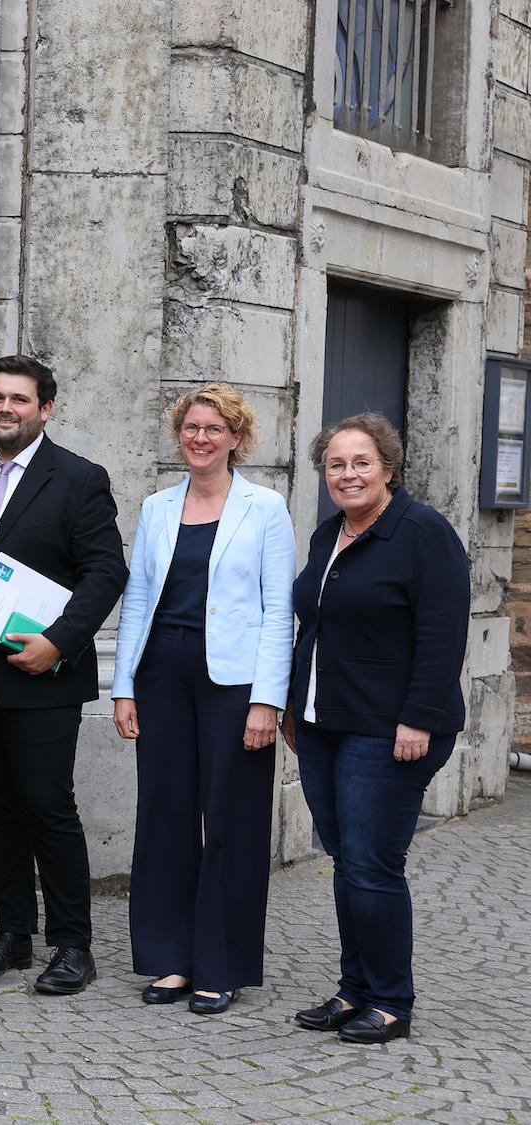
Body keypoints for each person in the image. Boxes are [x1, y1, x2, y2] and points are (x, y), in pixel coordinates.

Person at [0, 354, 127, 995]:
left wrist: (59, 643)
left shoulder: (78, 479)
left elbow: (106, 572)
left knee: (48, 807)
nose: (6, 409)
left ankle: (73, 945)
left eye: (19, 399)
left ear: (45, 408)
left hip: (40, 674)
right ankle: (12, 934)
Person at [283, 412, 468, 1045]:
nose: (348, 474)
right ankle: (355, 989)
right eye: (336, 464)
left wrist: (419, 717)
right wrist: (291, 708)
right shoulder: (326, 534)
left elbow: (443, 636)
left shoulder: (422, 533)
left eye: (361, 462)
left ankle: (391, 1000)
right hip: (324, 724)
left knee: (372, 864)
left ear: (388, 468)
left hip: (389, 731)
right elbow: (315, 626)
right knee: (345, 860)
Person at [109, 382, 294, 1015]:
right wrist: (124, 686)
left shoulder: (265, 508)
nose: (200, 438)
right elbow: (137, 600)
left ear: (236, 439)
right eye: (191, 427)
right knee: (164, 815)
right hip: (162, 672)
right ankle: (171, 959)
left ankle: (222, 963)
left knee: (234, 820)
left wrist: (268, 700)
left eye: (214, 429)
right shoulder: (158, 506)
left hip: (234, 682)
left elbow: (278, 612)